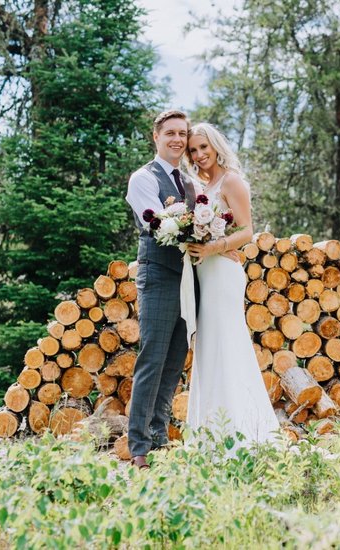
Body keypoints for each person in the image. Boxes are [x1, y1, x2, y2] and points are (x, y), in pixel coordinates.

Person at [185, 123, 281, 447]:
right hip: (204, 274)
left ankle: (244, 436)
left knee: (227, 345)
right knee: (209, 349)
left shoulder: (231, 181)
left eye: (203, 148)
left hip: (223, 273)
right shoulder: (201, 185)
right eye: (193, 151)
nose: (199, 155)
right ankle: (209, 436)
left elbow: (246, 231)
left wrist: (212, 247)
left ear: (214, 146)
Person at [125, 109, 198, 469]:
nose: (178, 140)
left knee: (173, 362)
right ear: (156, 137)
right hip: (157, 276)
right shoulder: (143, 178)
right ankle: (138, 447)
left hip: (186, 279)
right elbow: (158, 223)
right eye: (170, 133)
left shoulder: (187, 182)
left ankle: (159, 436)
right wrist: (194, 223)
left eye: (183, 134)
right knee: (152, 359)